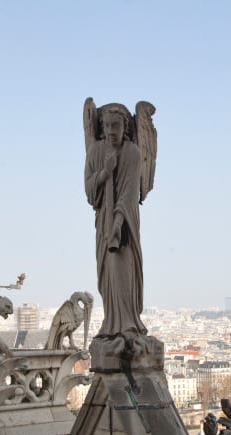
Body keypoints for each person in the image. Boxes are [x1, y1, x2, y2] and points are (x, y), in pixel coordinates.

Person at [84, 105, 147, 337]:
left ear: (125, 127)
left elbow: (130, 193)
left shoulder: (132, 152)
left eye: (116, 125)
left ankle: (128, 323)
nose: (111, 130)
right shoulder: (96, 151)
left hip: (125, 225)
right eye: (107, 125)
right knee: (107, 274)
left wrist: (118, 225)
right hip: (104, 222)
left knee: (123, 272)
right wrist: (104, 172)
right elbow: (89, 191)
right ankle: (111, 323)